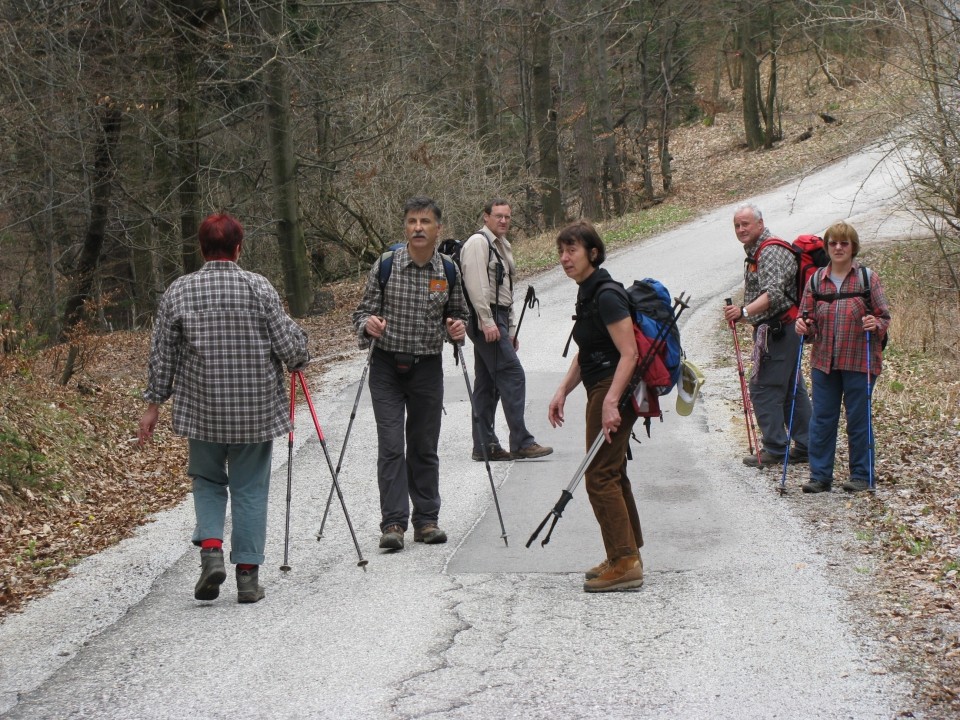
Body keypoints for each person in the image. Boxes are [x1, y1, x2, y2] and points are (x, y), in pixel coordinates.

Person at [138, 212, 309, 604]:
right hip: (255, 410)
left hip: (203, 410)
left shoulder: (178, 292)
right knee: (250, 489)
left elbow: (161, 356)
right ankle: (247, 577)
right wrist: (301, 352)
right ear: (238, 248)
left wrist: (153, 404)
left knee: (208, 482)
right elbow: (290, 348)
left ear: (201, 249)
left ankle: (211, 550)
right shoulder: (258, 288)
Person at [352, 196, 468, 551]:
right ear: (405, 227)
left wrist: (458, 330)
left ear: (438, 229)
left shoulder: (448, 270)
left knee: (423, 445)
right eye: (412, 222)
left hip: (427, 368)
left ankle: (427, 520)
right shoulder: (385, 265)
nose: (418, 227)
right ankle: (393, 524)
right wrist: (367, 325)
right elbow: (361, 314)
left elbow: (459, 314)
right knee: (391, 445)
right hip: (386, 366)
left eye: (425, 222)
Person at [547, 221, 644, 593]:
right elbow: (588, 349)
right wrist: (562, 390)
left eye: (571, 250)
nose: (564, 258)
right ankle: (624, 553)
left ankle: (625, 562)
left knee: (599, 475)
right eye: (561, 251)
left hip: (612, 388)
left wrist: (610, 401)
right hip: (600, 386)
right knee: (611, 471)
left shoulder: (606, 295)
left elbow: (629, 353)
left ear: (593, 253)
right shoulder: (587, 292)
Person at [795, 221, 890, 493]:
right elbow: (806, 321)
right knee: (822, 419)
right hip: (824, 362)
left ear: (853, 247)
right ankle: (819, 476)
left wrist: (876, 324)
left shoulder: (866, 279)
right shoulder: (815, 281)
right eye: (833, 243)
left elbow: (884, 316)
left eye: (844, 243)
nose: (838, 247)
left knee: (858, 419)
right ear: (826, 247)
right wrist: (803, 327)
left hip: (860, 360)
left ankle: (861, 476)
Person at [460, 198, 553, 462]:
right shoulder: (479, 243)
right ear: (485, 217)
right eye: (498, 216)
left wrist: (510, 329)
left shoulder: (502, 245)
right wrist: (487, 322)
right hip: (484, 318)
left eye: (507, 217)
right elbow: (476, 286)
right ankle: (521, 442)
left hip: (496, 317)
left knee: (487, 384)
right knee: (513, 375)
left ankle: (484, 446)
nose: (503, 221)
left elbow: (506, 290)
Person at [722, 203, 811, 467]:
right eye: (737, 225)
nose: (740, 229)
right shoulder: (759, 250)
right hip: (782, 328)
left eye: (745, 224)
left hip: (780, 329)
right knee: (792, 389)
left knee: (763, 387)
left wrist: (744, 311)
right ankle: (807, 444)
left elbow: (774, 295)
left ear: (760, 224)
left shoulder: (770, 250)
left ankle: (775, 447)